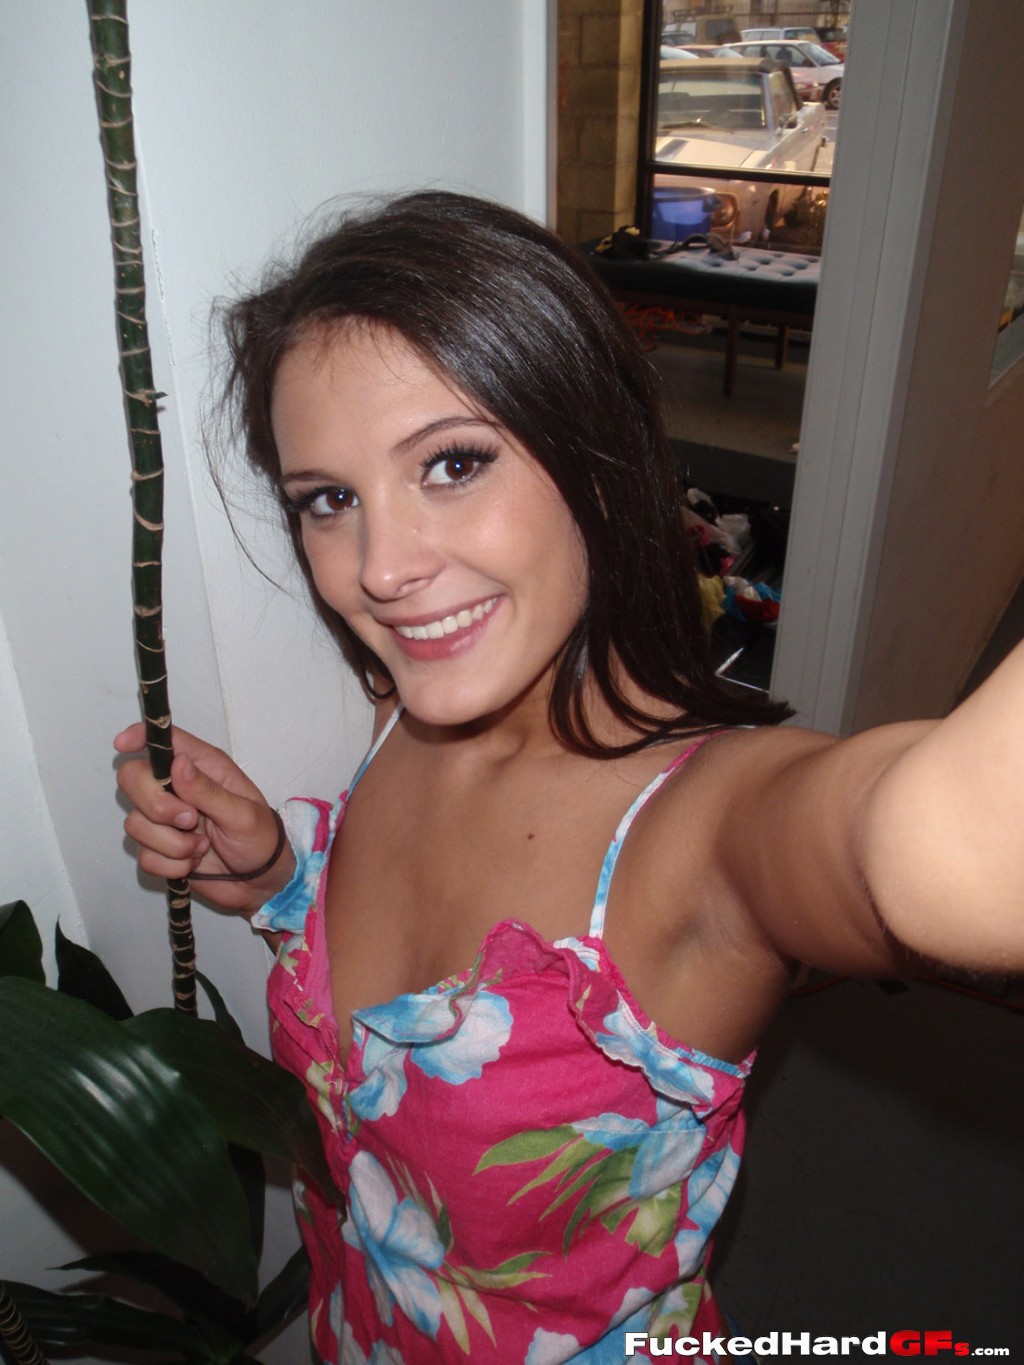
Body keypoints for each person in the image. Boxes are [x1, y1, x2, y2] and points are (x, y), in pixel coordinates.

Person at [114, 191, 1023, 1365]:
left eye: (452, 463)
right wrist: (285, 877)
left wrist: (937, 838)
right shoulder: (407, 705)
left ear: (596, 458)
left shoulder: (709, 832)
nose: (380, 568)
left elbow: (937, 848)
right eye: (329, 500)